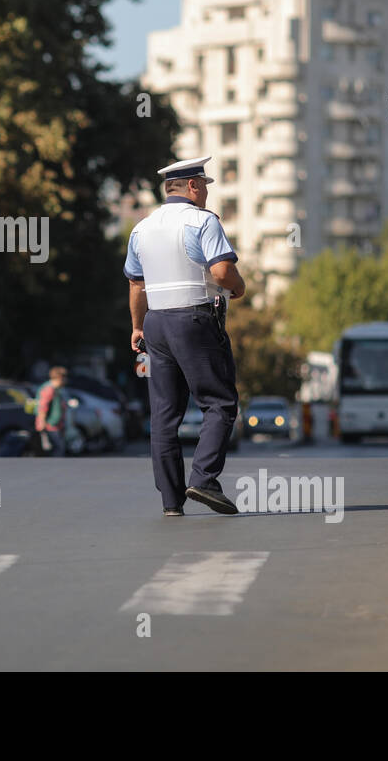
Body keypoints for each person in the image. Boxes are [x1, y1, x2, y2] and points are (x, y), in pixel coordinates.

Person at [124, 156, 246, 517]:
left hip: (157, 324)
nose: (207, 191)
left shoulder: (142, 228)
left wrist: (137, 326)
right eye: (205, 184)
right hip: (194, 319)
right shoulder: (201, 221)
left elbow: (135, 283)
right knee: (219, 403)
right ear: (192, 186)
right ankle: (204, 479)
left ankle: (171, 501)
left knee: (164, 415)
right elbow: (223, 271)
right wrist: (238, 288)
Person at [34, 366, 70, 457]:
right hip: (50, 425)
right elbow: (42, 407)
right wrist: (41, 422)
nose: (66, 380)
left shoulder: (57, 389)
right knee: (58, 448)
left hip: (56, 424)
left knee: (58, 448)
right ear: (60, 378)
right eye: (64, 378)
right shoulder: (49, 389)